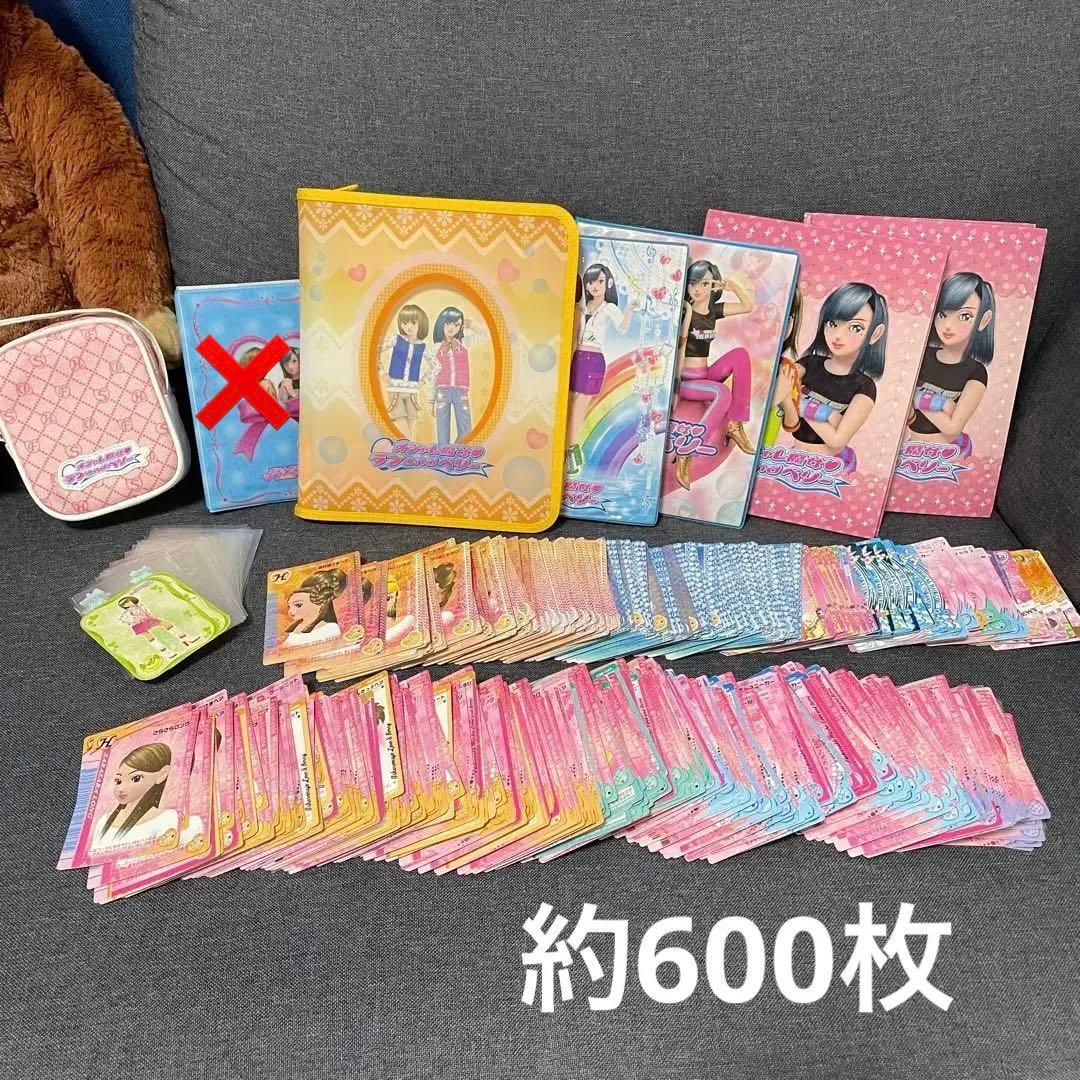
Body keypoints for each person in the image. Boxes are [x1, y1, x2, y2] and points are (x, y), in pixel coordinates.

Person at [773, 282, 888, 471]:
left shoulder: (864, 386)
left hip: (831, 467)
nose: (838, 335)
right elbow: (778, 391)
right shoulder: (809, 363)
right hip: (794, 459)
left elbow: (837, 440)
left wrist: (801, 403)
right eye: (833, 324)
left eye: (855, 327)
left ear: (875, 334)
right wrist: (830, 417)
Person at [672, 260, 755, 489]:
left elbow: (747, 306)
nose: (697, 289)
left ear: (713, 286)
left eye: (705, 283)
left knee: (740, 355)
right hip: (687, 382)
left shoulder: (713, 312)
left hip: (704, 374)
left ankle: (735, 424)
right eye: (693, 284)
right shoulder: (684, 313)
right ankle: (687, 450)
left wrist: (731, 286)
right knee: (722, 393)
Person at [907, 271, 995, 455]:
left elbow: (953, 427)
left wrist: (918, 397)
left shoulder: (976, 371)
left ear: (983, 320)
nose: (948, 325)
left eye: (964, 316)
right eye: (942, 314)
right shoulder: (923, 355)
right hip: (911, 449)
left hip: (946, 454)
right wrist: (944, 405)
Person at [566, 263, 639, 474]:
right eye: (590, 282)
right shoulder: (582, 306)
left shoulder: (609, 308)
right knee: (569, 403)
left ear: (608, 283)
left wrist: (629, 309)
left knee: (579, 407)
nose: (594, 286)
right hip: (577, 357)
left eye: (599, 281)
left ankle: (571, 452)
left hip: (594, 359)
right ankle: (567, 448)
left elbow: (622, 328)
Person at [91, 742, 177, 848]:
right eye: (118, 781)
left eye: (136, 778)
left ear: (162, 774)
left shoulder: (167, 818)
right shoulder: (103, 821)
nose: (121, 789)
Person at [384, 304, 428, 437]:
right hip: (395, 389)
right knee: (403, 430)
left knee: (409, 433)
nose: (409, 326)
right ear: (401, 324)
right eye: (404, 323)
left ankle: (406, 450)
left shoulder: (423, 346)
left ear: (421, 323)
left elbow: (437, 366)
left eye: (413, 322)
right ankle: (407, 450)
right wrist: (382, 372)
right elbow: (375, 350)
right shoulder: (396, 339)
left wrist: (423, 381)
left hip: (412, 392)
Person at [431, 306, 473, 444]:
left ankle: (455, 452)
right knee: (442, 431)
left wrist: (471, 325)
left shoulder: (463, 343)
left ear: (460, 327)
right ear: (441, 322)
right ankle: (444, 455)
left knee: (466, 432)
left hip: (461, 391)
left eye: (456, 325)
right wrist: (431, 400)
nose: (451, 328)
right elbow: (434, 374)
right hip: (442, 392)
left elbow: (485, 335)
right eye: (448, 323)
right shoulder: (436, 347)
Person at [116, 595, 198, 660]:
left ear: (132, 600)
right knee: (150, 636)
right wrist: (132, 621)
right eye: (125, 604)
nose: (127, 604)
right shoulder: (128, 611)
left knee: (166, 625)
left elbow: (147, 612)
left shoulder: (140, 605)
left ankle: (185, 638)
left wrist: (152, 617)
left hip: (147, 620)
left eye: (128, 602)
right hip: (139, 624)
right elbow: (121, 620)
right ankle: (166, 652)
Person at [282, 568, 348, 646]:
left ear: (318, 603)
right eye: (289, 606)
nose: (290, 611)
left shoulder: (330, 628)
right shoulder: (295, 627)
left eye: (298, 605)